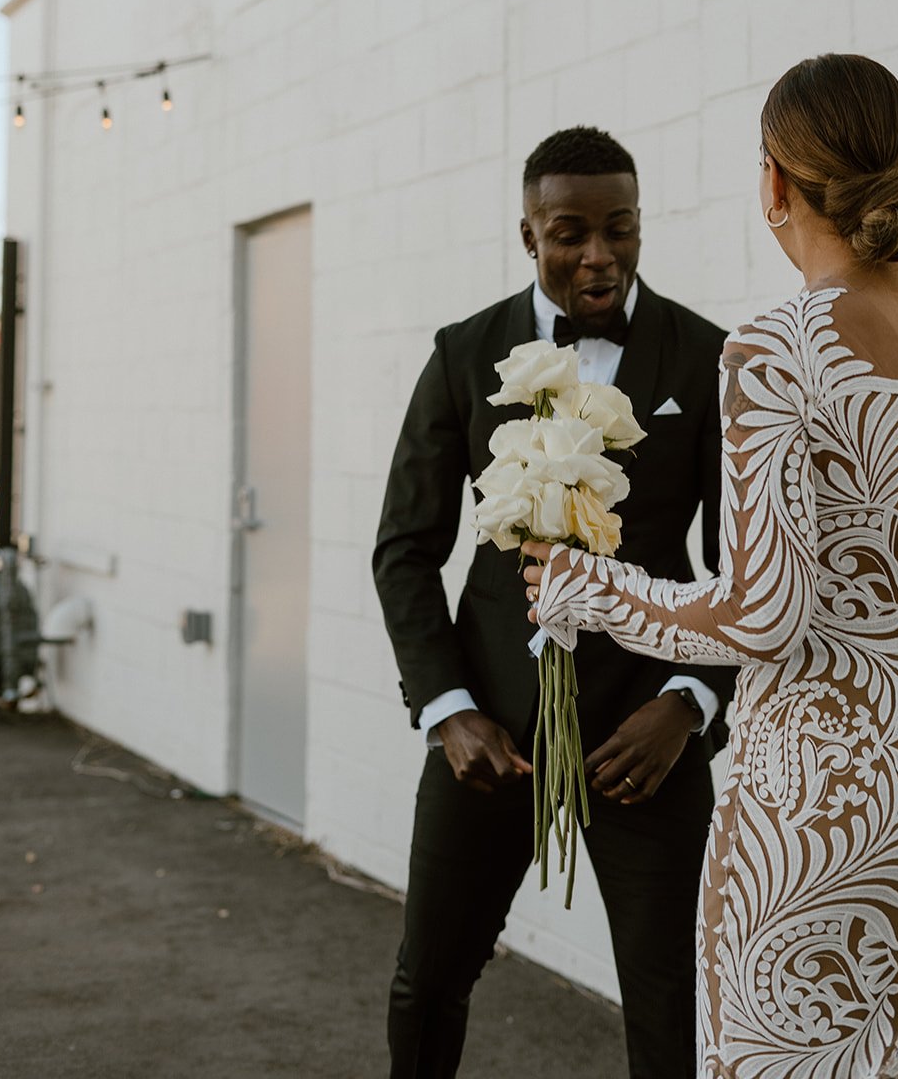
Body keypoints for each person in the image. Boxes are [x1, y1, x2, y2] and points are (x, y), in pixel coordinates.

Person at [524, 56, 898, 1079]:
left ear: (771, 180)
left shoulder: (773, 349)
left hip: (811, 807)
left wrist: (585, 589)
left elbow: (762, 613)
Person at [374, 125, 738, 1079]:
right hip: (488, 731)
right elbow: (405, 551)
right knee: (427, 981)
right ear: (526, 234)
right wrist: (449, 713)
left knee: (675, 1004)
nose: (597, 254)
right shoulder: (464, 354)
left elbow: (745, 568)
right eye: (569, 232)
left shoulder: (708, 358)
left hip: (643, 738)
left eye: (619, 229)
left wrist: (688, 704)